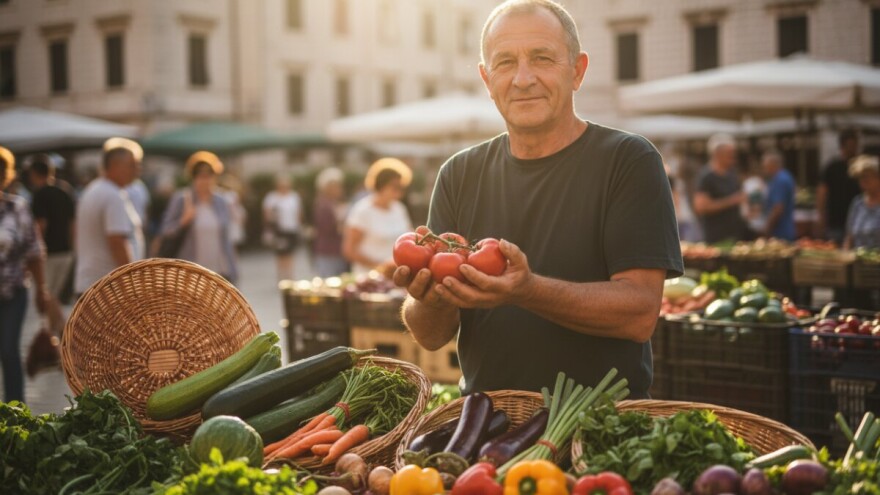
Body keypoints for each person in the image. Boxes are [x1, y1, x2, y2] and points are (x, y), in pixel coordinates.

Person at [392, 0, 682, 398]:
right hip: (487, 426)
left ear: (577, 71)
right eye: (505, 62)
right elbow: (431, 336)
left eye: (542, 58)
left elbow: (639, 313)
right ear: (486, 79)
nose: (523, 78)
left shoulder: (629, 161)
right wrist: (429, 299)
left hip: (605, 427)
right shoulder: (458, 174)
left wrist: (527, 290)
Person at [0, 146, 49, 402]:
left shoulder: (17, 208)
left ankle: (15, 412)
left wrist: (42, 290)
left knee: (8, 350)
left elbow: (34, 251)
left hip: (13, 292)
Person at [74, 138, 144, 296]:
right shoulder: (112, 195)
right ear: (115, 166)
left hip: (93, 284)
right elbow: (117, 241)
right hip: (107, 289)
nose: (137, 170)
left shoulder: (95, 189)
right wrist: (132, 285)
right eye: (133, 165)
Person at [158, 151, 239, 282]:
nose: (205, 181)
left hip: (220, 272)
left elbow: (227, 239)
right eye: (200, 176)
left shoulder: (221, 201)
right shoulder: (182, 199)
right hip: (192, 273)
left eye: (209, 176)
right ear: (193, 178)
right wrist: (183, 221)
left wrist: (233, 269)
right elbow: (166, 231)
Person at [343, 158, 413, 277]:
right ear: (381, 185)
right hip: (368, 277)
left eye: (401, 187)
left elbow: (410, 239)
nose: (399, 192)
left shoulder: (400, 209)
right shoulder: (363, 211)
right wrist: (379, 267)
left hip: (396, 277)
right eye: (395, 186)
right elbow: (349, 250)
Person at [28, 154, 76, 300]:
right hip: (66, 251)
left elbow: (41, 225)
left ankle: (58, 323)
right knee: (53, 296)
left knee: (46, 295)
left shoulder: (39, 194)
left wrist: (36, 252)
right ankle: (54, 323)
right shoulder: (65, 190)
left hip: (48, 253)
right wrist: (72, 248)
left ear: (34, 174)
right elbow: (72, 222)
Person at [693, 133, 748, 244]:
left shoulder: (732, 173)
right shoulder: (706, 176)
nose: (733, 157)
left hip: (735, 235)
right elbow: (700, 207)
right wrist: (731, 201)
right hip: (716, 238)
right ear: (717, 154)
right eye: (729, 154)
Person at [817, 130, 861, 245]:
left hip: (858, 220)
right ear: (842, 146)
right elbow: (822, 192)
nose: (853, 149)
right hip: (836, 221)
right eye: (850, 146)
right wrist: (821, 217)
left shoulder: (861, 168)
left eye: (855, 145)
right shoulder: (833, 167)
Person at [263, 175, 303, 281]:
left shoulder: (294, 196)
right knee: (281, 253)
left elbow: (298, 213)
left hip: (291, 228)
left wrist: (299, 226)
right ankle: (281, 276)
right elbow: (267, 213)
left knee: (290, 253)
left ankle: (290, 275)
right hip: (279, 230)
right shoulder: (272, 197)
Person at [313, 167, 348, 277]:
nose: (339, 189)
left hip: (337, 251)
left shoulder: (334, 203)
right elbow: (330, 228)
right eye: (336, 186)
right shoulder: (324, 205)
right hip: (329, 252)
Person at [844, 154, 880, 250]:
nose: (864, 181)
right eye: (861, 177)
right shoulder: (857, 204)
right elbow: (849, 237)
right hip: (858, 261)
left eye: (867, 177)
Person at [761, 150, 796, 241]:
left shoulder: (779, 180)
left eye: (765, 165)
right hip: (786, 230)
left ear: (773, 164)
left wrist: (767, 229)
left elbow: (778, 208)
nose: (764, 168)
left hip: (781, 233)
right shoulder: (785, 176)